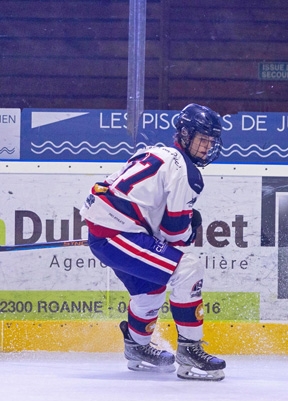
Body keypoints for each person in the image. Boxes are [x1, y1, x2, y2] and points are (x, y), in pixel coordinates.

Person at [79, 103, 227, 381]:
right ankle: (190, 350)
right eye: (202, 139)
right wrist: (190, 229)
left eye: (211, 141)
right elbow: (174, 234)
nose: (207, 147)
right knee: (188, 268)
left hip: (111, 231)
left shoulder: (154, 152)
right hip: (117, 234)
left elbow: (117, 191)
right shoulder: (185, 171)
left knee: (151, 289)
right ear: (185, 134)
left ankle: (137, 347)